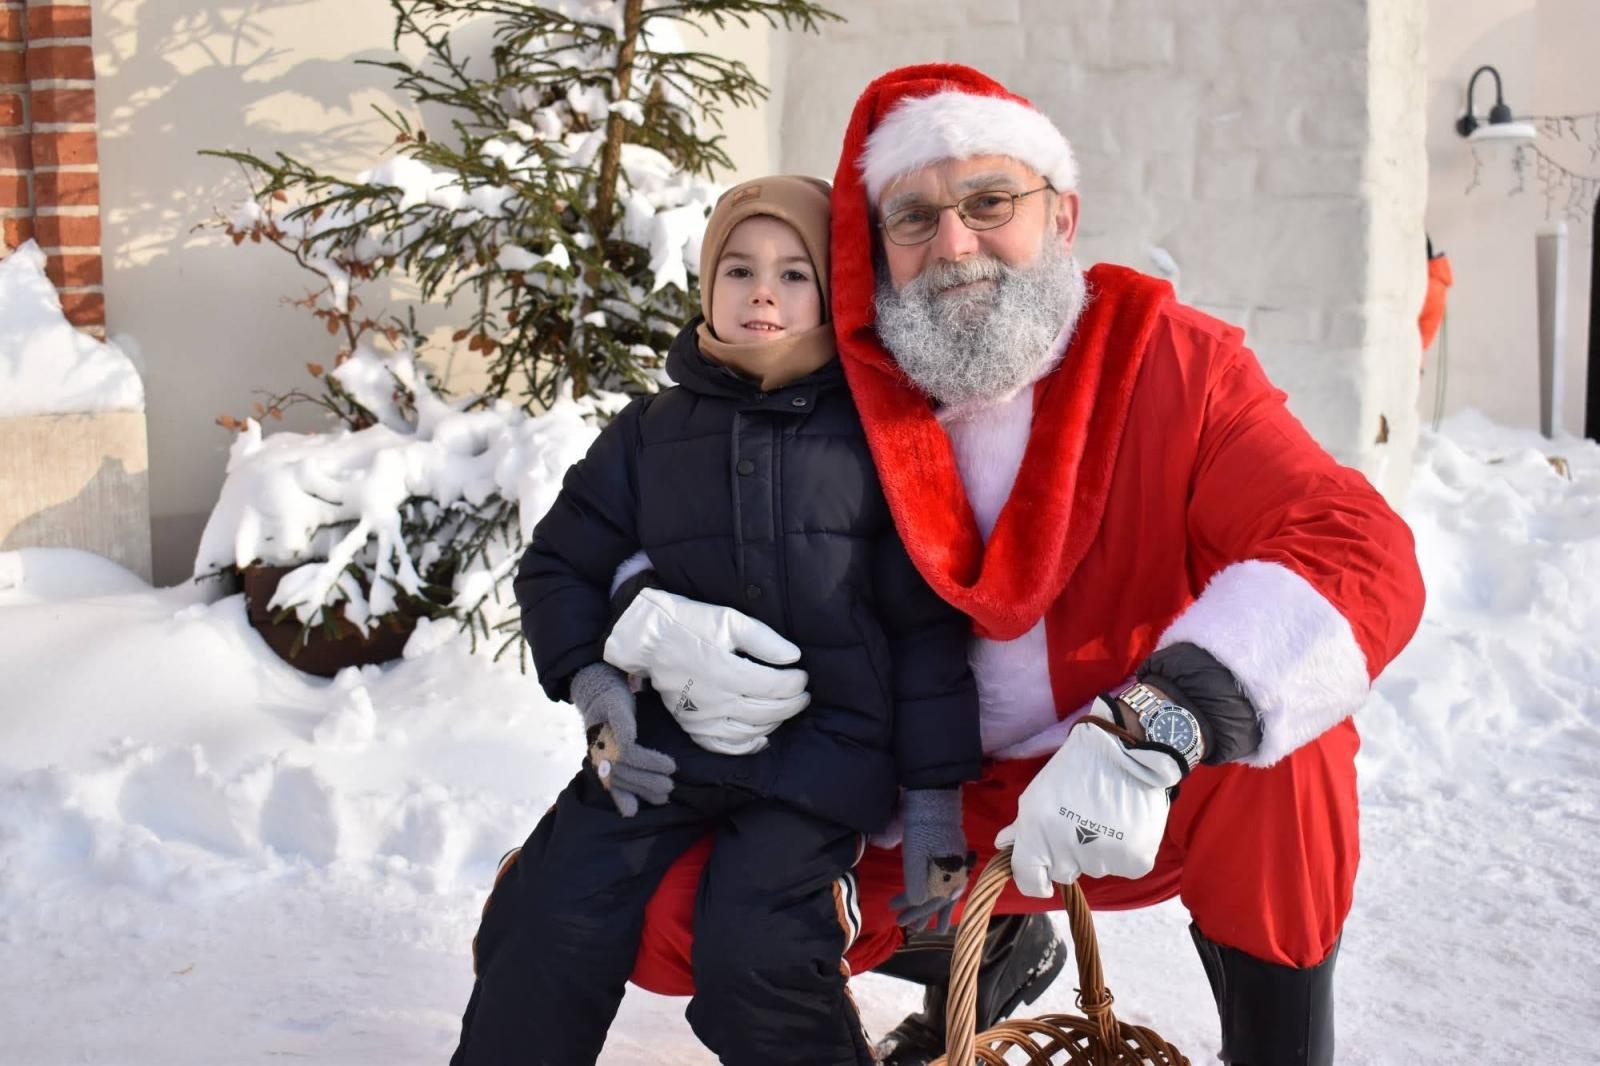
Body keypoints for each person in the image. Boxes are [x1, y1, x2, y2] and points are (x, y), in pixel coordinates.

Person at [606, 65, 1427, 1066]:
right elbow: (665, 508)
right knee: (638, 902)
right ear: (878, 249)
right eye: (914, 218)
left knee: (1290, 748)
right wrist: (643, 608)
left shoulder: (1172, 362)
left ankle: (1278, 1048)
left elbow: (1354, 546)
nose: (954, 245)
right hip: (915, 801)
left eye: (990, 202)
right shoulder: (828, 390)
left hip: (1140, 782)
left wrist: (1158, 725)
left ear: (1061, 216)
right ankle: (983, 948)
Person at [451, 175, 985, 1066]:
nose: (762, 292)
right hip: (667, 745)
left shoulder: (882, 437)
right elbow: (559, 564)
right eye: (738, 269)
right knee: (546, 909)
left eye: (793, 273)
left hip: (822, 762)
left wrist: (934, 801)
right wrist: (595, 684)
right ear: (706, 288)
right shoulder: (649, 434)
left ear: (836, 291)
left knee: (758, 950)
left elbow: (924, 630)